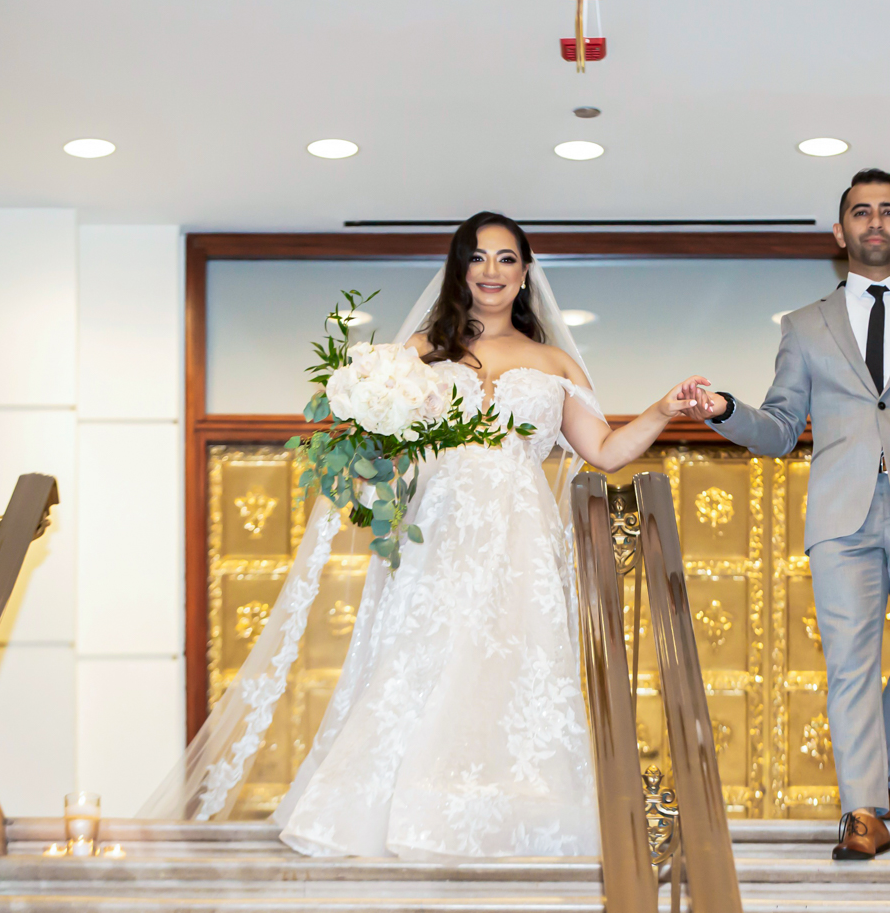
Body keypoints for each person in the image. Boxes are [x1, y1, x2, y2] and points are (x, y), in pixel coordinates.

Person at [140, 211, 706, 860]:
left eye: (506, 259)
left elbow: (604, 451)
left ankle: (503, 820)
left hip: (520, 538)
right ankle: (395, 814)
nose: (491, 271)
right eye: (477, 257)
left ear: (525, 273)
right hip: (439, 530)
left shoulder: (555, 363)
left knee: (510, 668)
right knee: (424, 659)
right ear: (459, 269)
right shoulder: (416, 355)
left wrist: (663, 410)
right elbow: (383, 451)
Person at [680, 169, 890, 859]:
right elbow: (780, 428)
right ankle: (863, 810)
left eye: (888, 211)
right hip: (841, 518)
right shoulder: (804, 327)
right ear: (840, 232)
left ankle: (880, 781)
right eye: (861, 212)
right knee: (850, 664)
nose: (874, 222)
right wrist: (725, 410)